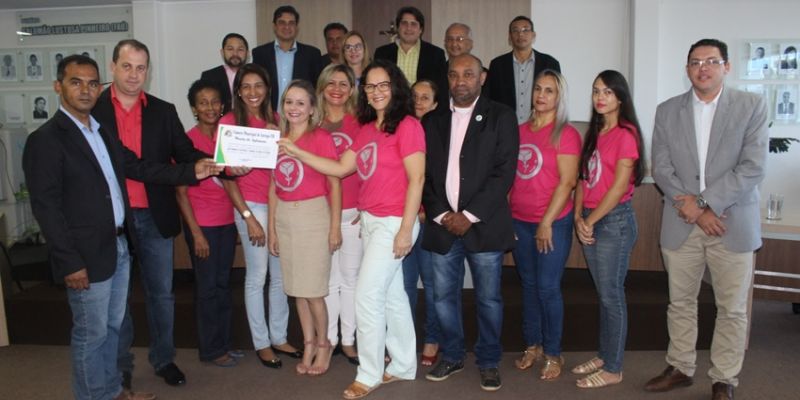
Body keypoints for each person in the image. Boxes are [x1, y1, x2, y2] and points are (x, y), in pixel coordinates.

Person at [23, 54, 221, 400]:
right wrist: (69, 262)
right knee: (91, 333)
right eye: (75, 82)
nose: (86, 90)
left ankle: (113, 391)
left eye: (91, 83)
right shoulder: (47, 139)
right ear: (58, 87)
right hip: (85, 253)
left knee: (112, 327)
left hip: (117, 245)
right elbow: (46, 208)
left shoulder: (100, 132)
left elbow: (142, 168)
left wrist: (194, 170)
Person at [278, 59, 425, 399]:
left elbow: (417, 179)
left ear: (396, 87)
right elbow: (340, 168)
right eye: (371, 86)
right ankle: (403, 365)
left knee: (366, 295)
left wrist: (406, 229)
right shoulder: (368, 128)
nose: (377, 91)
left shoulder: (407, 125)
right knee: (393, 298)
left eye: (383, 84)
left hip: (394, 223)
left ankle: (369, 373)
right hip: (370, 221)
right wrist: (297, 152)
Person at [646, 38, 768, 400]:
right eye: (696, 62)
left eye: (712, 61)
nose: (703, 68)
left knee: (731, 309)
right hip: (682, 222)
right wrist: (695, 210)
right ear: (687, 69)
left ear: (726, 67)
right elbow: (662, 167)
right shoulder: (668, 110)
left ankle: (724, 378)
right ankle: (680, 367)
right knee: (680, 303)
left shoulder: (751, 106)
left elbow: (752, 167)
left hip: (731, 222)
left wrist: (703, 204)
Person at [93, 39, 206, 390]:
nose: (134, 74)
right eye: (127, 66)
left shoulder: (163, 111)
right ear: (112, 66)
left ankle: (164, 359)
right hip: (112, 218)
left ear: (148, 71)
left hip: (155, 215)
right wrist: (194, 170)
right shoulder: (93, 110)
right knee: (118, 299)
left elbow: (186, 152)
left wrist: (223, 162)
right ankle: (121, 366)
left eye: (141, 68)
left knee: (162, 294)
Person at [422, 54, 519, 392]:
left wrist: (469, 215)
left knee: (488, 299)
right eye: (454, 74)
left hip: (484, 224)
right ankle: (452, 355)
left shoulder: (502, 116)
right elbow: (423, 174)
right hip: (442, 224)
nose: (460, 81)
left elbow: (504, 172)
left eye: (468, 74)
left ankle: (489, 361)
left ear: (482, 77)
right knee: (443, 298)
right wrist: (441, 214)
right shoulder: (431, 120)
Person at [219, 63, 302, 369]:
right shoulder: (229, 123)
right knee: (257, 276)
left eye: (259, 86)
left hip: (279, 205)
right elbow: (226, 178)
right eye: (246, 86)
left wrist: (280, 138)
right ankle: (261, 342)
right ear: (238, 91)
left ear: (267, 89)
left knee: (280, 277)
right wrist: (248, 217)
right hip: (250, 207)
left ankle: (279, 336)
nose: (253, 92)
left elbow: (288, 166)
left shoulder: (278, 121)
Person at [571, 69, 644, 389]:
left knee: (612, 296)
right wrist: (578, 216)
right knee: (603, 295)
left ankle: (613, 368)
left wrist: (589, 221)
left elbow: (617, 189)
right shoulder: (595, 132)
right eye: (596, 91)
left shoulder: (626, 134)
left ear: (620, 98)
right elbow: (583, 179)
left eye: (608, 92)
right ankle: (604, 355)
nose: (600, 97)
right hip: (590, 218)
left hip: (614, 222)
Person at [509, 70, 581, 381]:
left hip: (552, 223)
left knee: (548, 287)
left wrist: (547, 222)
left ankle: (553, 352)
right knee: (528, 285)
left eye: (549, 90)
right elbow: (511, 177)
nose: (541, 95)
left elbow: (568, 182)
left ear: (559, 97)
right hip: (519, 222)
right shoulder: (519, 131)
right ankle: (533, 345)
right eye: (538, 89)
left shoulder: (566, 134)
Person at [269, 79, 341, 376]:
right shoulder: (277, 139)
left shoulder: (321, 137)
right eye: (289, 102)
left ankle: (324, 343)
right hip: (285, 217)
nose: (294, 108)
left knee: (313, 290)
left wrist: (334, 227)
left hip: (314, 216)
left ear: (312, 108)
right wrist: (272, 228)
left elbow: (335, 184)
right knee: (297, 289)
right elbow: (273, 186)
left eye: (301, 103)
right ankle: (308, 343)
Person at [176, 80, 239, 368]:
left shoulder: (229, 138)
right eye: (203, 103)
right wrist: (196, 234)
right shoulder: (186, 142)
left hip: (227, 221)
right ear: (194, 108)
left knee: (223, 285)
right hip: (203, 226)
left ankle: (223, 344)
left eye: (215, 101)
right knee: (207, 289)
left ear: (223, 106)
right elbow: (180, 193)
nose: (210, 107)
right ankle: (211, 350)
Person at [315, 63, 363, 366]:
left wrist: (367, 205)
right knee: (328, 280)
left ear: (351, 89)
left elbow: (371, 167)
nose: (336, 89)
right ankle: (330, 339)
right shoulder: (311, 123)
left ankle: (348, 340)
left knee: (351, 278)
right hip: (320, 213)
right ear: (321, 87)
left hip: (354, 211)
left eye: (343, 84)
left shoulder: (361, 123)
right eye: (330, 83)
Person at [405, 78, 440, 367]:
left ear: (436, 104)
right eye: (414, 96)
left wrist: (426, 209)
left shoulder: (440, 135)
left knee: (431, 284)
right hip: (403, 218)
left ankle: (432, 338)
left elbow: (440, 180)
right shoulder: (400, 130)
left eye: (425, 97)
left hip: (430, 221)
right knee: (403, 286)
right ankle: (404, 340)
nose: (418, 102)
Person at [486, 16, 561, 124]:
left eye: (525, 30)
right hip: (506, 126)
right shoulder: (497, 65)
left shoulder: (550, 63)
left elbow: (557, 97)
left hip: (539, 125)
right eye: (515, 30)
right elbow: (491, 99)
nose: (520, 34)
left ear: (533, 35)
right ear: (510, 36)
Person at [374, 6, 448, 108]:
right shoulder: (382, 53)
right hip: (391, 109)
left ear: (421, 29)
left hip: (423, 111)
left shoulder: (435, 54)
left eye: (413, 24)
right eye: (404, 23)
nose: (408, 28)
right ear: (398, 27)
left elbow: (441, 90)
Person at [252, 5, 323, 111]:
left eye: (291, 23)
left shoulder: (312, 54)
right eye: (282, 23)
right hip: (269, 116)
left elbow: (318, 89)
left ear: (296, 27)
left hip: (300, 115)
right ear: (274, 26)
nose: (287, 27)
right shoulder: (260, 53)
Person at [201, 33, 249, 113]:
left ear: (247, 53)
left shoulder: (256, 75)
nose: (235, 54)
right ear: (222, 52)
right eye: (230, 49)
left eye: (240, 49)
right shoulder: (209, 76)